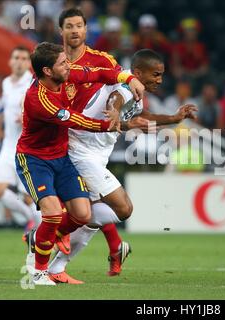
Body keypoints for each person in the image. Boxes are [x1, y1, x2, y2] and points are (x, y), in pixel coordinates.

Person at [48, 49, 197, 283]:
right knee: (123, 208)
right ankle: (51, 232)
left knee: (90, 218)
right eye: (155, 75)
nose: (159, 80)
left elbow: (141, 114)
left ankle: (56, 267)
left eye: (161, 75)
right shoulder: (125, 87)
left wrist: (174, 119)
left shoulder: (135, 89)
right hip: (81, 151)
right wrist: (116, 113)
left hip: (96, 155)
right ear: (138, 72)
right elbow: (115, 100)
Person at [18, 41, 144, 285]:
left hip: (62, 157)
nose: (69, 66)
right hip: (35, 160)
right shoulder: (39, 99)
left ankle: (43, 239)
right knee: (54, 214)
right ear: (47, 71)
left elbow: (98, 73)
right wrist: (108, 125)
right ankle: (40, 271)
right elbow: (75, 120)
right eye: (63, 63)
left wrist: (128, 78)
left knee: (83, 214)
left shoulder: (65, 75)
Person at [56, 8, 134, 278]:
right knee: (80, 210)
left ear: (86, 30)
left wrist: (131, 82)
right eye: (69, 26)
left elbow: (121, 83)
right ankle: (53, 264)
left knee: (84, 213)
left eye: (79, 25)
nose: (75, 30)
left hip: (92, 143)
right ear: (61, 31)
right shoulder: (53, 60)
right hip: (64, 139)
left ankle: (50, 244)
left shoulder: (101, 61)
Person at [0, 47, 39, 232]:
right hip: (8, 147)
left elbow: (42, 107)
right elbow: (7, 107)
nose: (20, 61)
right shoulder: (6, 83)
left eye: (23, 58)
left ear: (29, 63)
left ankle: (44, 234)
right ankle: (32, 221)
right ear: (10, 61)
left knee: (29, 197)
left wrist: (27, 116)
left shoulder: (32, 82)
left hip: (27, 148)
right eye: (16, 58)